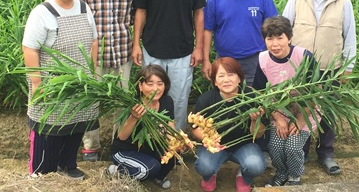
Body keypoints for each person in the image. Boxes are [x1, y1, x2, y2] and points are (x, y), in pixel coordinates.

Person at [22, 0, 99, 180]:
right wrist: (37, 84)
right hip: (52, 84)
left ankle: (68, 164)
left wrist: (92, 73)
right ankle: (42, 172)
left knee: (77, 124)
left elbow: (94, 41)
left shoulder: (84, 8)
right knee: (49, 127)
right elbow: (29, 49)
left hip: (80, 81)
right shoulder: (42, 13)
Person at [282, 0, 357, 175]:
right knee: (299, 111)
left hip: (329, 70)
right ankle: (302, 152)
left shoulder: (343, 2)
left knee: (328, 113)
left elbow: (349, 37)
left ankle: (325, 154)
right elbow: (284, 30)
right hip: (301, 70)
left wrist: (347, 68)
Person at [132, 0, 206, 131]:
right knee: (150, 96)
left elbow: (199, 14)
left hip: (182, 51)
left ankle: (176, 140)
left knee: (179, 98)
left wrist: (198, 47)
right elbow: (141, 12)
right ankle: (151, 138)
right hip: (152, 48)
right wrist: (135, 44)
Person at [79, 0, 139, 161]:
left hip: (123, 52)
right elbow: (76, 15)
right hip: (96, 56)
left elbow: (137, 16)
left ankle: (118, 144)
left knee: (121, 102)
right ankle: (90, 145)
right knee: (91, 101)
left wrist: (136, 44)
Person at [253, 16, 320, 187]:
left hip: (305, 111)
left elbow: (314, 93)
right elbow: (261, 93)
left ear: (289, 38)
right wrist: (279, 118)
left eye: (280, 38)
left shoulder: (304, 56)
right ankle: (281, 173)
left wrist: (299, 121)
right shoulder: (263, 59)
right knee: (275, 146)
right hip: (279, 111)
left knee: (292, 147)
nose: (275, 44)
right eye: (270, 39)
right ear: (264, 40)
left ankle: (295, 177)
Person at [192, 57, 266, 192]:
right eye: (221, 76)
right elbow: (195, 128)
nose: (226, 80)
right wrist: (208, 140)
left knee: (256, 166)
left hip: (243, 145)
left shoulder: (251, 98)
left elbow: (259, 134)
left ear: (239, 78)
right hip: (217, 146)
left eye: (231, 74)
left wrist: (255, 121)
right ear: (215, 81)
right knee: (204, 166)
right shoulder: (206, 100)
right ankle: (210, 175)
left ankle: (244, 176)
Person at [202, 0, 278, 86]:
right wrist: (206, 60)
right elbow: (208, 30)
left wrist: (273, 58)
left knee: (253, 99)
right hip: (224, 60)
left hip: (255, 59)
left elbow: (273, 29)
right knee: (225, 99)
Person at [108, 64, 176, 189]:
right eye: (150, 84)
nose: (155, 88)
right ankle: (117, 170)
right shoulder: (133, 104)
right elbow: (121, 137)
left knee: (173, 156)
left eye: (160, 84)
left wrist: (177, 143)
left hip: (148, 149)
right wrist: (134, 117)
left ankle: (157, 177)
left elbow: (170, 128)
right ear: (140, 86)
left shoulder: (167, 101)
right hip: (125, 150)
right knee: (149, 168)